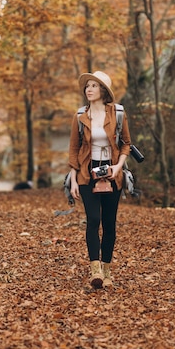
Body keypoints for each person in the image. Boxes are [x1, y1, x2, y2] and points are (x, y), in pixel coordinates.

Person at [68, 71, 131, 288]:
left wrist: (119, 166)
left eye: (94, 85)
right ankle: (95, 271)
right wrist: (73, 179)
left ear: (103, 91)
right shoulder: (79, 116)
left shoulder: (118, 113)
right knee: (93, 220)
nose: (89, 89)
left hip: (112, 171)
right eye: (88, 86)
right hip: (87, 171)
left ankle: (107, 271)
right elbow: (74, 149)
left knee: (109, 223)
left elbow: (126, 143)